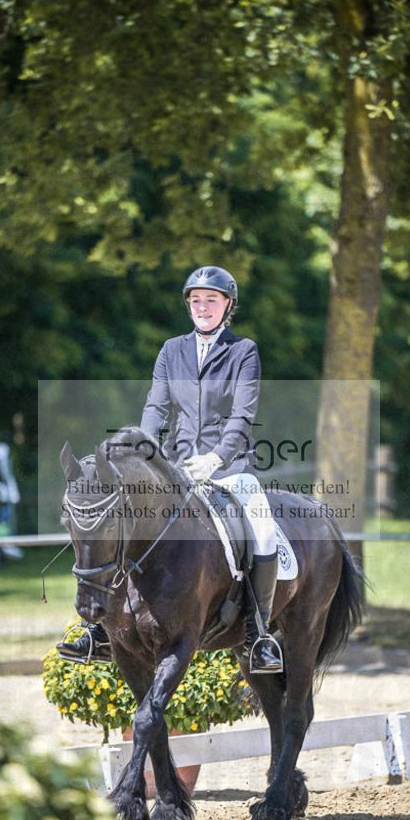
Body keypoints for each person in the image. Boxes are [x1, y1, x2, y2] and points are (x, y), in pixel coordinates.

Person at [59, 265, 282, 673]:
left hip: (228, 466)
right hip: (176, 465)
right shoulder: (171, 350)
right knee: (122, 522)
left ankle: (260, 635)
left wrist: (216, 458)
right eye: (195, 300)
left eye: (210, 300)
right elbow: (156, 407)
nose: (202, 307)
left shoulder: (243, 351)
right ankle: (98, 629)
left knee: (261, 524)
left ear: (228, 305)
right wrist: (145, 454)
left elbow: (241, 416)